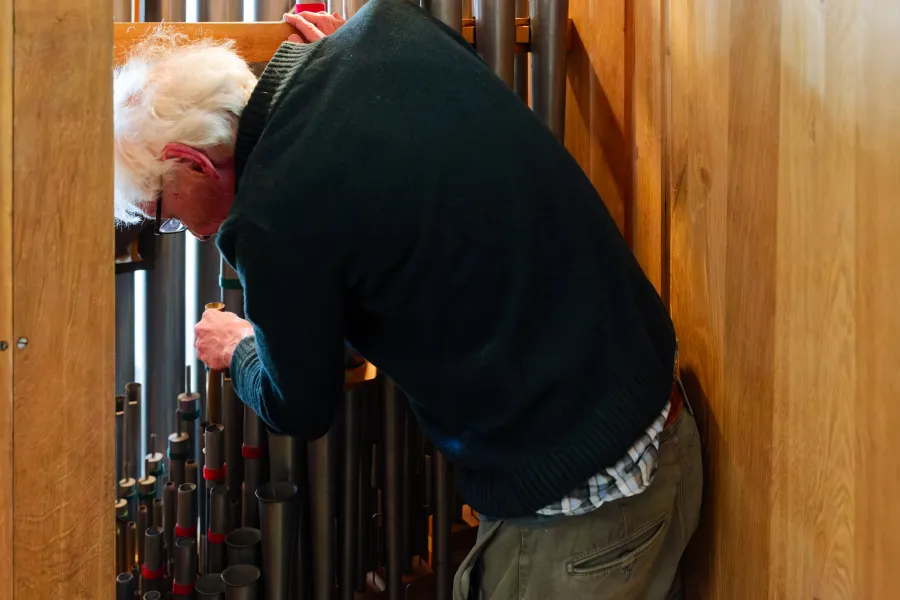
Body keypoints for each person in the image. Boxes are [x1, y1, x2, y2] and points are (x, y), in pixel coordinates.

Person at [113, 0, 701, 597]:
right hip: (652, 406)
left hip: (587, 505)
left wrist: (241, 347)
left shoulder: (273, 220)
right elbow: (451, 100)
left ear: (190, 161)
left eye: (161, 215)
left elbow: (301, 406)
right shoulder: (387, 26)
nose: (183, 230)